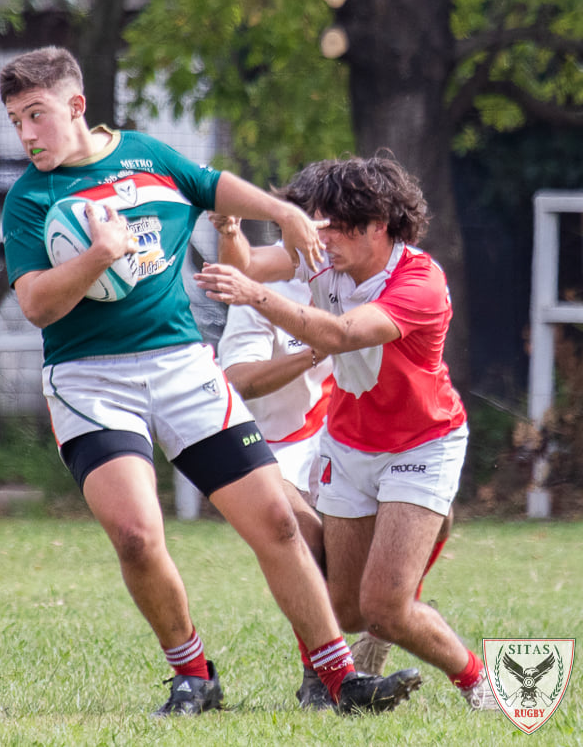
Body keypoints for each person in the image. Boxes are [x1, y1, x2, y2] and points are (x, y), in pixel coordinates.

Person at [0, 46, 420, 716]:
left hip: (181, 367)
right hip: (89, 381)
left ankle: (339, 679)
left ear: (76, 107)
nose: (25, 134)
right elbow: (37, 305)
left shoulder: (146, 156)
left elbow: (211, 183)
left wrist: (283, 213)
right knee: (137, 536)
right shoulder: (30, 199)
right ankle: (193, 674)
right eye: (16, 119)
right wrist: (101, 255)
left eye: (37, 116)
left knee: (278, 522)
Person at [194, 152, 496, 710]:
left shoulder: (419, 281)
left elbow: (336, 334)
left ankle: (480, 682)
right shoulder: (323, 254)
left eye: (331, 225)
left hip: (422, 445)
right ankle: (388, 592)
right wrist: (231, 232)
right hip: (348, 445)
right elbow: (252, 266)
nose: (320, 237)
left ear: (377, 226)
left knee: (385, 608)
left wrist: (254, 294)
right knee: (347, 609)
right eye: (316, 223)